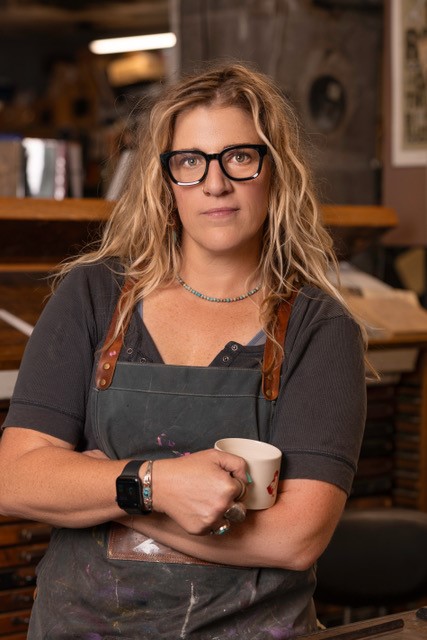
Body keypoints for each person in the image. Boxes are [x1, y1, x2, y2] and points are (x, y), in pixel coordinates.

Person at [0, 61, 367, 639]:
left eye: (239, 157)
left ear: (277, 171)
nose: (215, 183)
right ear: (166, 180)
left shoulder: (320, 329)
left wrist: (113, 489)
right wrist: (156, 483)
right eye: (190, 162)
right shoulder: (94, 296)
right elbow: (15, 481)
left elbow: (296, 537)